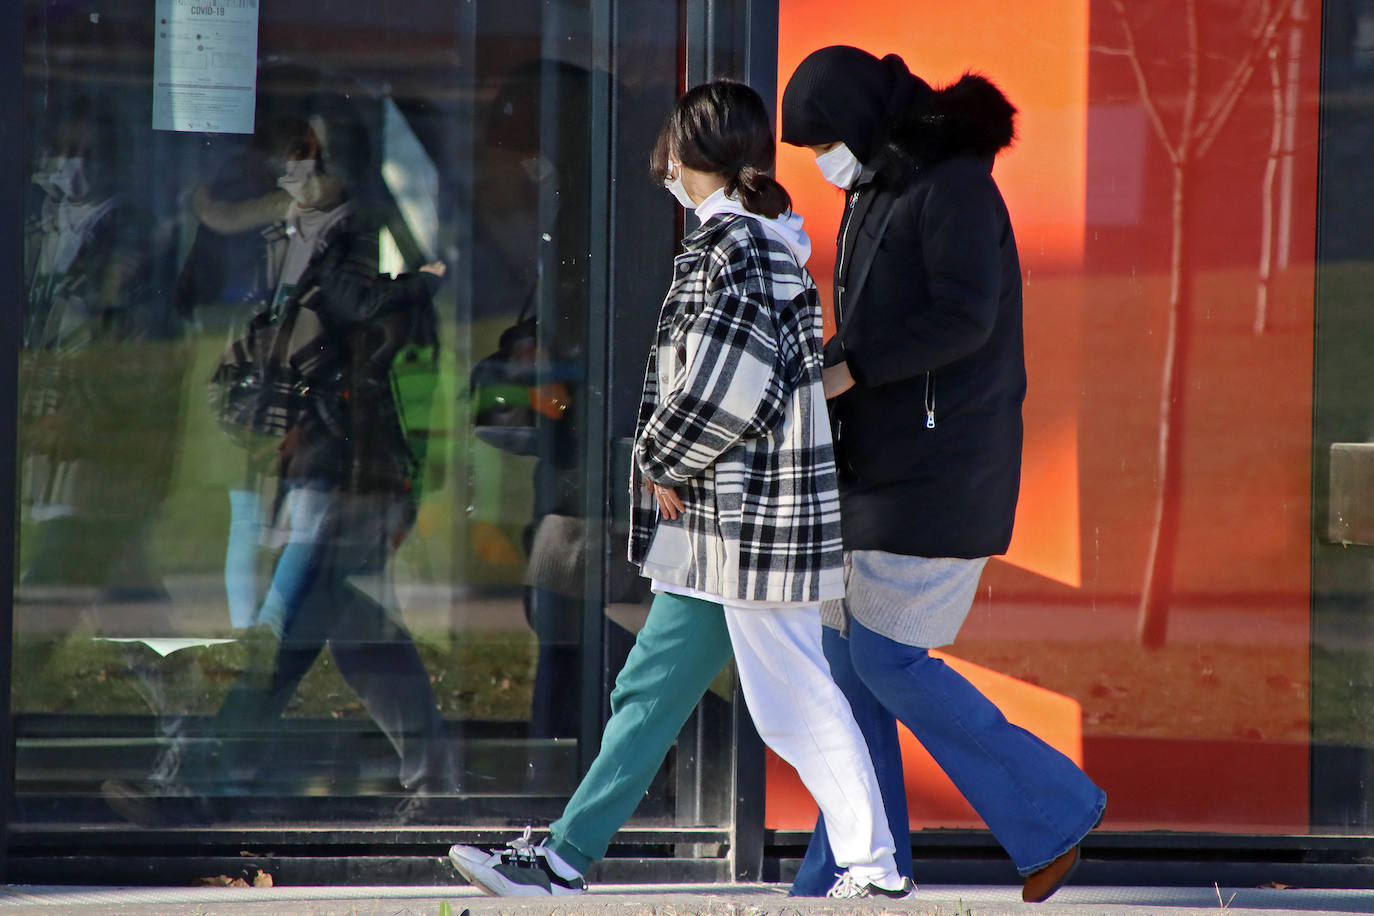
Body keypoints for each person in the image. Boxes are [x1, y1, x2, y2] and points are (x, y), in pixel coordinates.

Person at [447, 80, 910, 900]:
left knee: (792, 701)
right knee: (656, 691)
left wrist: (659, 458)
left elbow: (729, 385)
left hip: (742, 522)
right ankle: (562, 859)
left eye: (668, 150)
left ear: (689, 154)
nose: (659, 165)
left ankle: (873, 871)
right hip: (729, 526)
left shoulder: (738, 248)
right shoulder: (753, 243)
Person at [778, 46, 1107, 903]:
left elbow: (965, 317)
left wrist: (852, 366)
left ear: (859, 123)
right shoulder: (879, 187)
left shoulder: (953, 186)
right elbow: (872, 317)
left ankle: (1055, 806)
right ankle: (855, 868)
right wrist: (829, 364)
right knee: (848, 673)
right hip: (879, 465)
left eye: (823, 142)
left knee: (883, 659)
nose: (821, 162)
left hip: (940, 466)